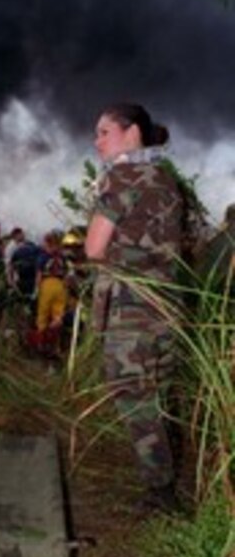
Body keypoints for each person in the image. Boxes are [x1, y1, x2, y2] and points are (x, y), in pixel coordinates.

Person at [85, 102, 185, 513]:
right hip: (168, 303)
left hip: (132, 309)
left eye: (104, 131)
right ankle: (169, 481)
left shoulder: (122, 176)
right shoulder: (166, 178)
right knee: (161, 395)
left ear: (131, 133)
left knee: (135, 398)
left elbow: (94, 247)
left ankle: (160, 492)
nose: (97, 141)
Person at [35, 230, 69, 357]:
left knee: (42, 315)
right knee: (58, 316)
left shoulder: (43, 257)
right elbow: (66, 276)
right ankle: (56, 346)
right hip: (60, 286)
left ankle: (42, 343)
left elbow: (38, 275)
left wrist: (36, 290)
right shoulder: (62, 258)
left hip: (47, 284)